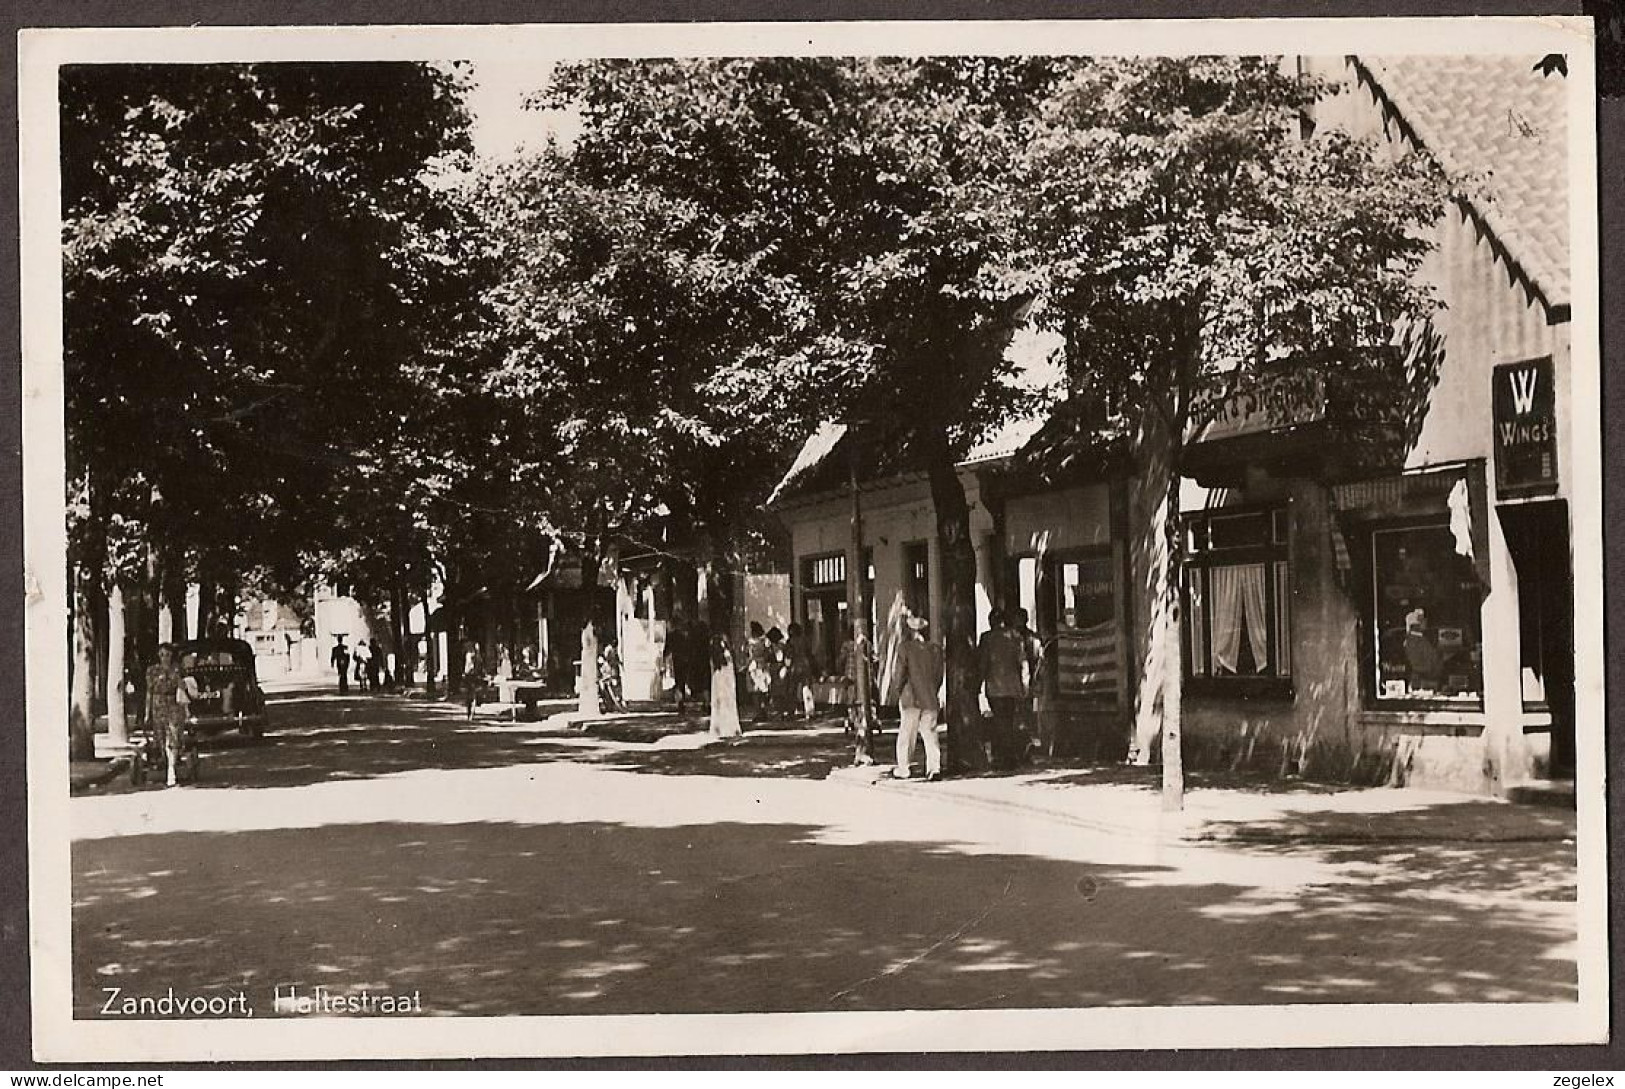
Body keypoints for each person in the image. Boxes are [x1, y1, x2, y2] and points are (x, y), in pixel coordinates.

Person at [893, 615, 943, 781]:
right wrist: (932, 689)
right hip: (929, 696)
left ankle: (904, 768)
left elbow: (900, 674)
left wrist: (899, 689)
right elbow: (939, 676)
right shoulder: (935, 649)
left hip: (911, 696)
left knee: (907, 734)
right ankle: (934, 767)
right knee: (930, 733)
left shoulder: (904, 648)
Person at [979, 608, 1030, 771]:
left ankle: (1004, 756)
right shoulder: (1016, 637)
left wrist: (978, 682)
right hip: (1013, 687)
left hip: (995, 687)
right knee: (1008, 721)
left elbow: (983, 663)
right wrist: (1025, 685)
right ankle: (1009, 755)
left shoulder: (987, 638)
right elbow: (1023, 662)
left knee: (999, 721)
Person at [143, 644, 192, 788]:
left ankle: (171, 770)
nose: (165, 658)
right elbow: (149, 692)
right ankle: (165, 761)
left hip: (174, 706)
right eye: (162, 654)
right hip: (158, 706)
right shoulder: (152, 671)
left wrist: (187, 708)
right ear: (159, 655)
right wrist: (146, 713)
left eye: (168, 655)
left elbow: (184, 689)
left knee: (174, 736)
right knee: (160, 738)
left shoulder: (178, 669)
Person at [708, 633, 742, 740]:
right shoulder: (727, 654)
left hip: (717, 680)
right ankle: (730, 728)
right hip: (727, 681)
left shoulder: (714, 657)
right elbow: (731, 668)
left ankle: (719, 728)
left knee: (719, 703)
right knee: (728, 703)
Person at [784, 622, 817, 720]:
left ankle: (791, 711)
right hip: (805, 665)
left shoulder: (790, 642)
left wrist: (786, 666)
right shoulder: (804, 641)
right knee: (806, 689)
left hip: (795, 667)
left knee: (792, 690)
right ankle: (810, 711)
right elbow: (809, 654)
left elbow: (788, 655)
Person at [743, 621, 773, 721]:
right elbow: (769, 654)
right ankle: (763, 710)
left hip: (753, 666)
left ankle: (758, 712)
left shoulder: (749, 642)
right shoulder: (765, 641)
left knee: (754, 692)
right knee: (763, 691)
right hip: (762, 666)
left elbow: (746, 654)